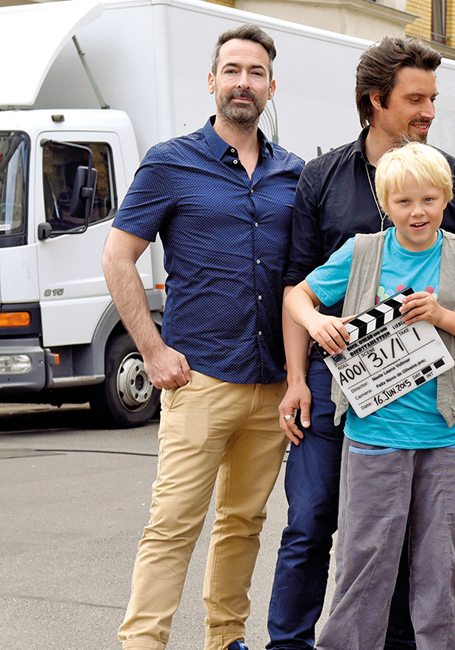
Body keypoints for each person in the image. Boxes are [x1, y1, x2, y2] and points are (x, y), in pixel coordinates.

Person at [268, 36, 455, 650]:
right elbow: (296, 286)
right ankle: (289, 643)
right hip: (334, 380)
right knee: (311, 521)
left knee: (410, 537)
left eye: (433, 98)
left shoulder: (452, 178)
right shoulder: (323, 176)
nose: (429, 111)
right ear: (375, 100)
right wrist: (295, 380)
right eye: (415, 99)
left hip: (425, 389)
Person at [102, 25, 304, 650]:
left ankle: (226, 639)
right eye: (233, 70)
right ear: (212, 81)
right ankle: (143, 643)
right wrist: (152, 349)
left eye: (256, 72)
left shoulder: (294, 173)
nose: (244, 82)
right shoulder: (170, 161)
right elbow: (117, 258)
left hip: (272, 384)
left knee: (244, 523)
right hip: (201, 376)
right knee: (172, 526)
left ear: (272, 85)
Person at [284, 142, 455, 649]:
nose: (417, 212)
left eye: (429, 200)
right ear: (386, 203)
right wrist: (320, 321)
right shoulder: (362, 251)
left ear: (446, 200)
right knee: (365, 563)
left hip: (445, 435)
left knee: (440, 568)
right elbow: (297, 295)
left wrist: (442, 316)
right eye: (404, 201)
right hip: (374, 434)